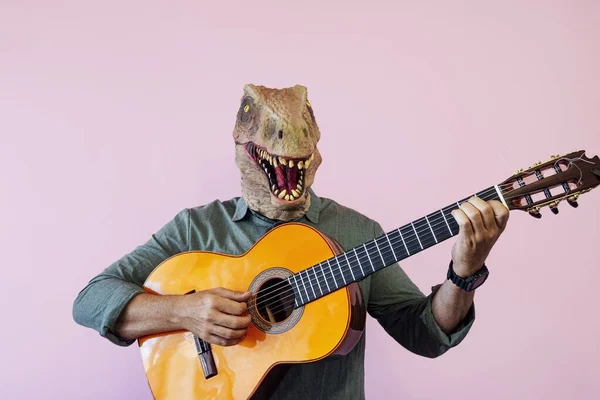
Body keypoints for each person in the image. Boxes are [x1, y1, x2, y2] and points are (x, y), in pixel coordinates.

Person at [72, 84, 509, 399]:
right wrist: (185, 309)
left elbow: (426, 335)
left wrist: (463, 274)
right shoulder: (195, 229)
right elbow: (91, 300)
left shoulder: (357, 233)